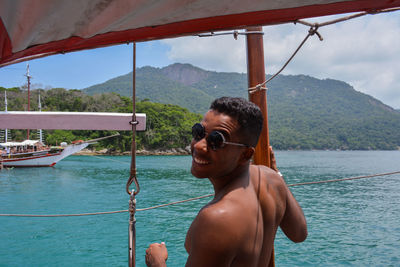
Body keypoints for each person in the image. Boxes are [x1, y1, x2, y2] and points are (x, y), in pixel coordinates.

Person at [146, 97, 307, 266]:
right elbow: (299, 233)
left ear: (245, 155)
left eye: (217, 140)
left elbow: (299, 234)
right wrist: (277, 174)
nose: (199, 145)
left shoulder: (217, 219)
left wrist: (157, 262)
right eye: (198, 132)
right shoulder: (272, 178)